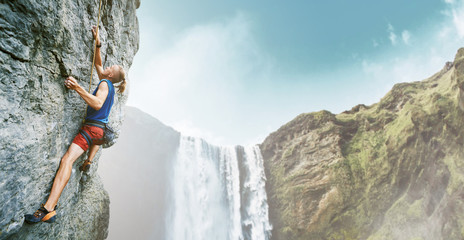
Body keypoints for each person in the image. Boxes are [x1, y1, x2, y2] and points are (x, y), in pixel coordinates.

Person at [24, 26, 126, 224]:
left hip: (91, 129)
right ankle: (86, 164)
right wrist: (98, 42)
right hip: (98, 132)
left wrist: (77, 86)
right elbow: (98, 63)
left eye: (110, 68)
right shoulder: (109, 83)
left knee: (67, 161)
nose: (106, 67)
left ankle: (48, 208)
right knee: (70, 160)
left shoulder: (105, 84)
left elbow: (97, 103)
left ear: (111, 75)